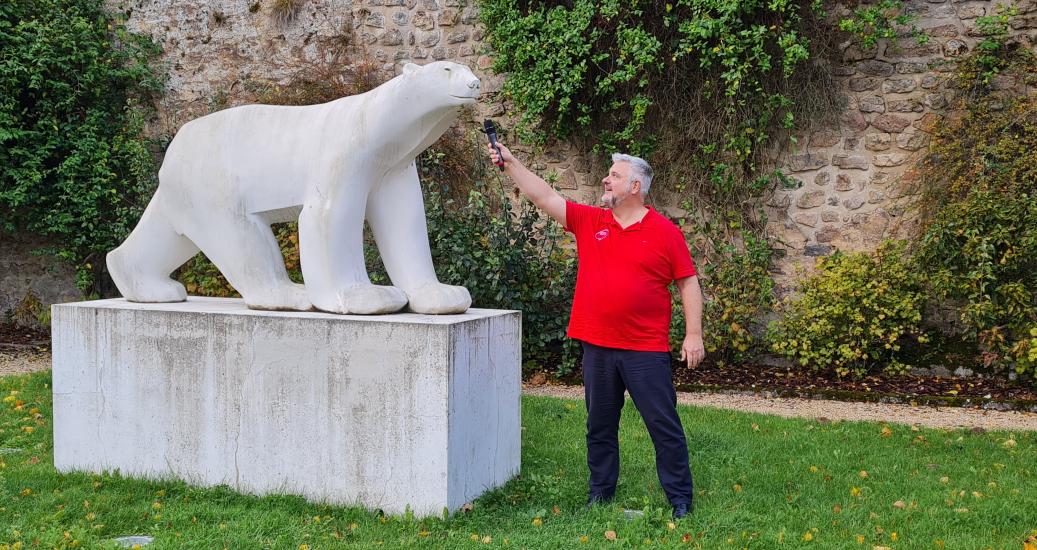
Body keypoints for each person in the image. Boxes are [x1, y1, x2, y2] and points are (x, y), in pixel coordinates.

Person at [486, 142, 705, 519]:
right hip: (598, 347)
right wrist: (511, 163)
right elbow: (544, 195)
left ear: (635, 186)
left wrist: (694, 334)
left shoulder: (665, 232)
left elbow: (688, 282)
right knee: (599, 426)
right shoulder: (591, 221)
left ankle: (680, 499)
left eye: (615, 175)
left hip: (645, 349)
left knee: (663, 426)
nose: (606, 178)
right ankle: (600, 493)